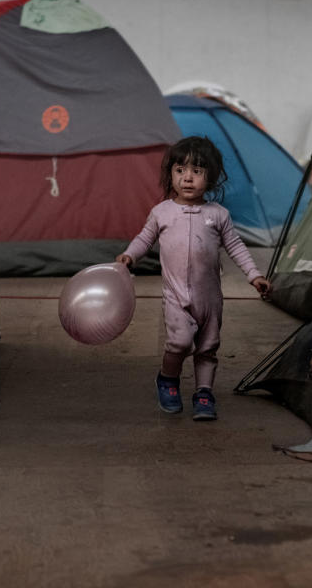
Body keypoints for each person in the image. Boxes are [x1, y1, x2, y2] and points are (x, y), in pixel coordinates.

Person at [117, 136, 271, 421]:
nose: (187, 178)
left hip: (210, 299)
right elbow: (144, 238)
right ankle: (167, 378)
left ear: (211, 177)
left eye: (197, 171)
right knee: (179, 342)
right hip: (176, 296)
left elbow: (236, 247)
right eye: (180, 170)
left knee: (207, 347)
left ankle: (203, 392)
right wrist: (129, 256)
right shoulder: (161, 212)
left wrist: (255, 275)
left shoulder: (219, 215)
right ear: (170, 175)